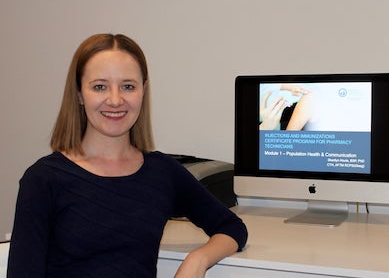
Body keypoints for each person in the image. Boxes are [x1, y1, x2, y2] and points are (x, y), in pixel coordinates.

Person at [7, 34, 248, 278]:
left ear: (143, 90)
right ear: (79, 94)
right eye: (100, 86)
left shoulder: (161, 171)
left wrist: (197, 260)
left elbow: (231, 227)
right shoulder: (43, 179)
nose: (115, 100)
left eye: (128, 86)